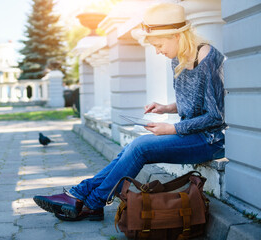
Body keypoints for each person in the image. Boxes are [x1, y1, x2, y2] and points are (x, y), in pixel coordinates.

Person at [33, 3, 227, 221]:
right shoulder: (177, 59)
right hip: (189, 135)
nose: (157, 50)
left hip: (209, 140)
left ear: (176, 36)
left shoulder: (207, 57)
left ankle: (91, 200)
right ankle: (81, 195)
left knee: (139, 147)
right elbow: (193, 103)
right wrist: (166, 108)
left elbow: (215, 115)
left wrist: (172, 127)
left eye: (159, 44)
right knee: (127, 151)